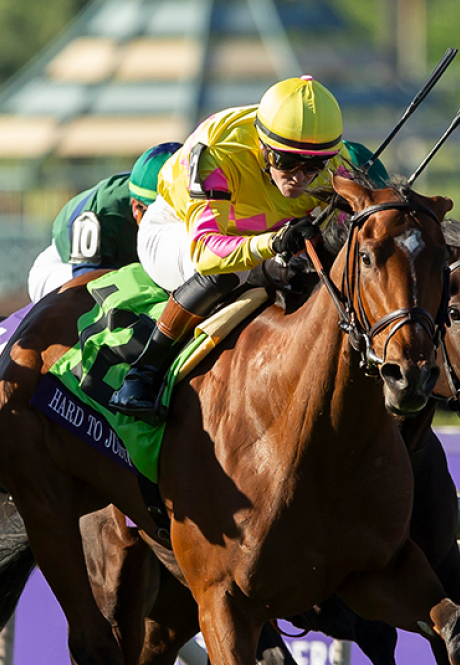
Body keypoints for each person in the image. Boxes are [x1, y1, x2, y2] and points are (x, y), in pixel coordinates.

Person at [108, 76, 363, 421]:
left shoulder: (336, 160)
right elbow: (206, 252)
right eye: (286, 162)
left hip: (264, 236)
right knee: (227, 271)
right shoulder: (218, 151)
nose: (300, 177)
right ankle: (143, 373)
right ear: (263, 145)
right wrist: (272, 244)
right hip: (177, 230)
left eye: (312, 166)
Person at [25, 141, 182, 303]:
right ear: (136, 208)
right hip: (68, 270)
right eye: (168, 216)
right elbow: (88, 287)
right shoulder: (100, 213)